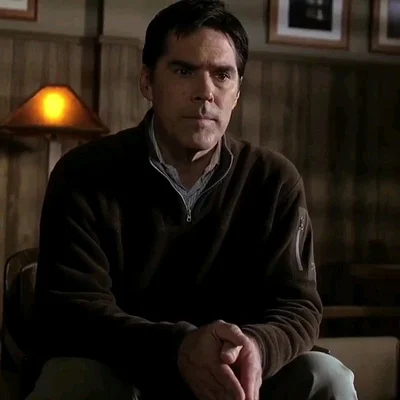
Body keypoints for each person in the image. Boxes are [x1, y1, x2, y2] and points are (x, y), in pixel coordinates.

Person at [26, 0, 357, 399]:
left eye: (222, 75)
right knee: (70, 377)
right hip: (126, 371)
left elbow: (299, 306)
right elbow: (71, 309)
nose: (205, 93)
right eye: (184, 71)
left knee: (327, 376)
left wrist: (257, 348)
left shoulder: (273, 180)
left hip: (237, 375)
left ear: (237, 92)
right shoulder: (84, 174)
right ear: (147, 82)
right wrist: (179, 349)